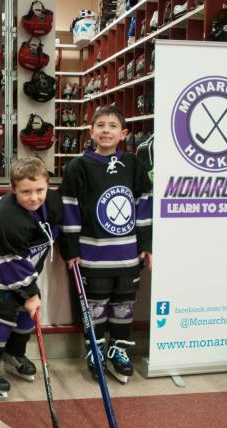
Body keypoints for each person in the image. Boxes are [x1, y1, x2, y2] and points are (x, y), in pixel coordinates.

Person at [59, 105, 153, 384]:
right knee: (95, 305)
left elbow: (143, 204)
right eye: (100, 125)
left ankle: (119, 350)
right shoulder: (78, 167)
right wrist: (72, 249)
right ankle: (96, 348)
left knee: (124, 304)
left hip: (126, 256)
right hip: (92, 256)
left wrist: (146, 243)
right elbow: (69, 208)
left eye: (113, 126)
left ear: (123, 133)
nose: (106, 130)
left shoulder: (134, 165)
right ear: (91, 132)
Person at [0, 157, 62, 399]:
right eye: (25, 192)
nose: (34, 197)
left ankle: (12, 354)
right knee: (2, 312)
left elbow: (50, 235)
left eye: (40, 190)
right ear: (13, 189)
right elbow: (11, 262)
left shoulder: (53, 202)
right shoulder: (6, 220)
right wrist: (28, 292)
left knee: (27, 312)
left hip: (17, 265)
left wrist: (29, 293)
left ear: (48, 185)